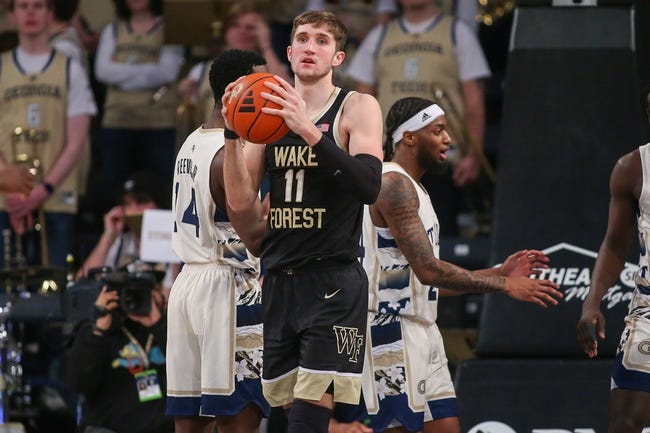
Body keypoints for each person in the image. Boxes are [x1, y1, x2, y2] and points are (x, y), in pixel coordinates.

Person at [330, 97, 562, 433]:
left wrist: (498, 272)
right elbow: (429, 270)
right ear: (409, 137)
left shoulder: (416, 189)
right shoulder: (392, 183)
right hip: (388, 330)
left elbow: (430, 281)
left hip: (423, 330)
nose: (448, 140)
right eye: (438, 131)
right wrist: (504, 285)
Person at [223, 10, 384, 433]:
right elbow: (240, 206)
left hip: (331, 280)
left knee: (309, 422)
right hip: (278, 280)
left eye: (322, 41)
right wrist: (232, 138)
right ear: (289, 52)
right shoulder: (269, 115)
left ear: (338, 57)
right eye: (303, 39)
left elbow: (369, 187)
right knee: (282, 418)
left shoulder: (357, 106)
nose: (311, 47)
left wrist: (309, 130)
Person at [166, 48, 271, 433]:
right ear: (235, 91)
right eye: (262, 84)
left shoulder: (191, 142)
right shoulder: (226, 156)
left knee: (190, 422)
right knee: (238, 418)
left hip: (187, 285)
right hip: (227, 287)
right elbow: (252, 235)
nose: (271, 92)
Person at [346, 0, 491, 237]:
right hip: (389, 159)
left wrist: (474, 156)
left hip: (440, 159)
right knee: (386, 246)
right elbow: (361, 102)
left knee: (439, 243)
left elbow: (474, 101)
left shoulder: (457, 33)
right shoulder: (380, 36)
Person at [0, 0, 97, 268]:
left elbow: (76, 141)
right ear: (11, 16)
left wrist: (42, 191)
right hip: (8, 197)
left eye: (38, 5)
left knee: (54, 285)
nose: (30, 12)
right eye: (23, 6)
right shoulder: (2, 68)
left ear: (51, 14)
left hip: (56, 193)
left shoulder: (70, 69)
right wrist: (13, 188)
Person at [576, 147, 650, 428]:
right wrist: (591, 302)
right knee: (625, 423)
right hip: (648, 307)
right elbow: (615, 243)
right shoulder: (632, 167)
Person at [68, 270, 173, 433]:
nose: (137, 298)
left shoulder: (171, 331)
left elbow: (192, 372)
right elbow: (80, 384)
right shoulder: (97, 333)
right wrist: (98, 331)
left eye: (146, 292)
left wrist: (157, 325)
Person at [94, 0, 184, 188]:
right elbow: (102, 71)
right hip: (116, 122)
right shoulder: (112, 30)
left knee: (159, 189)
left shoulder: (170, 29)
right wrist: (148, 73)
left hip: (159, 124)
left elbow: (167, 72)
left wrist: (121, 76)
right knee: (115, 189)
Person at [176, 1, 291, 131]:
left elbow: (289, 92)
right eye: (235, 25)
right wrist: (184, 93)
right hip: (213, 141)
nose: (242, 31)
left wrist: (266, 46)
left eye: (250, 27)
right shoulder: (201, 69)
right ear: (225, 30)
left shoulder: (273, 67)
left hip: (257, 142)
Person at [76, 171, 173, 292]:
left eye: (141, 201)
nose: (133, 210)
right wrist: (108, 236)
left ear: (159, 205)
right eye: (127, 204)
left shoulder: (174, 242)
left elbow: (171, 298)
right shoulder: (122, 242)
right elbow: (82, 285)